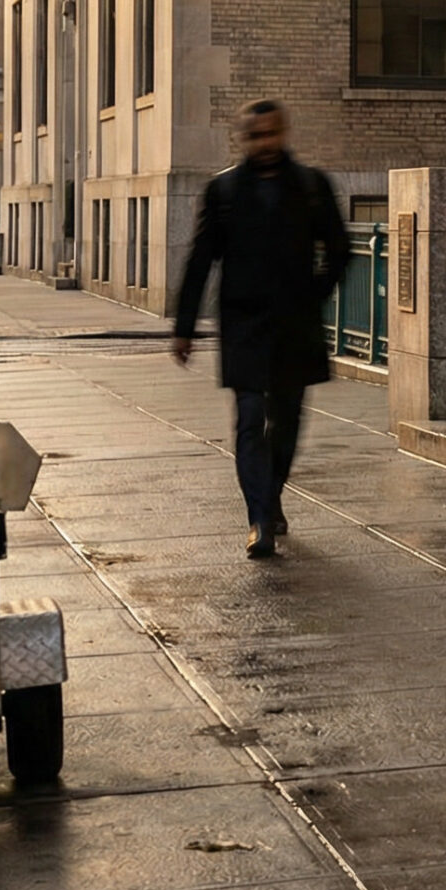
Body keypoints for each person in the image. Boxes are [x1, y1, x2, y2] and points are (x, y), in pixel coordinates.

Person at [172, 100, 350, 559]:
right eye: (256, 136)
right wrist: (184, 327)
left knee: (286, 424)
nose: (265, 144)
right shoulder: (224, 191)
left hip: (295, 326)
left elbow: (339, 250)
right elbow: (200, 259)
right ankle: (259, 519)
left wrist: (314, 293)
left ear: (284, 133)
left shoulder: (312, 187)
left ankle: (270, 498)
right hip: (244, 326)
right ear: (242, 139)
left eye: (271, 134)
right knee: (250, 420)